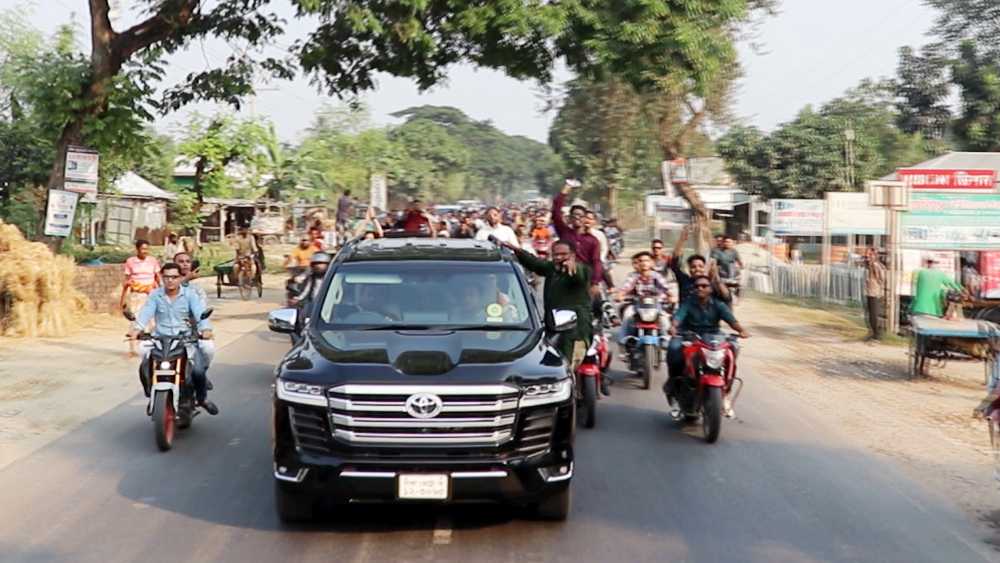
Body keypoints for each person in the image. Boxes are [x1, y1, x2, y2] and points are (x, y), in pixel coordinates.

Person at [129, 262, 218, 415]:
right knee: (144, 366)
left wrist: (206, 329)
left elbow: (199, 313)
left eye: (174, 277)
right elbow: (146, 312)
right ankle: (153, 396)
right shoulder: (155, 295)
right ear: (162, 278)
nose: (170, 280)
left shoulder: (190, 295)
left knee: (197, 371)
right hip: (160, 340)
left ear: (180, 278)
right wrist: (137, 329)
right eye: (167, 277)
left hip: (185, 340)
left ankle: (202, 399)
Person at [501, 239, 592, 370]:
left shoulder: (580, 269)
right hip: (553, 331)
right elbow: (535, 263)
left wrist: (574, 267)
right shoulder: (552, 269)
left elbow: (580, 275)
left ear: (572, 255)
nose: (559, 257)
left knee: (567, 371)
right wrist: (517, 250)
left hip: (574, 334)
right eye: (556, 254)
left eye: (563, 254)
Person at [665, 274, 749, 416]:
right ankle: (674, 386)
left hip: (713, 336)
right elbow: (679, 316)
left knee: (733, 348)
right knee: (674, 348)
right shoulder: (688, 303)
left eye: (704, 286)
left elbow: (732, 321)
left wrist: (742, 331)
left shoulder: (718, 304)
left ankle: (726, 390)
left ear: (711, 289)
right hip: (689, 334)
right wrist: (674, 327)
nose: (700, 288)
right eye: (697, 286)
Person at [552, 180, 603, 295]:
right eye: (574, 215)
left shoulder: (593, 241)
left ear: (585, 219)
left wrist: (595, 283)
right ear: (569, 218)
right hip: (563, 278)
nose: (577, 218)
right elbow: (555, 211)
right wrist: (566, 189)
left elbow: (596, 262)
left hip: (583, 280)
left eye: (580, 215)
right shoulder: (564, 232)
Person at [120, 239, 161, 357]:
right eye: (143, 249)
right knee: (136, 320)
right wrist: (123, 298)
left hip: (151, 294)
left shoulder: (153, 261)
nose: (145, 251)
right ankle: (132, 348)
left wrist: (161, 291)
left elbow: (157, 277)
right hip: (136, 295)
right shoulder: (130, 262)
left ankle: (154, 347)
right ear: (137, 249)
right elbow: (127, 280)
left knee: (152, 321)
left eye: (147, 249)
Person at [671, 225, 731, 302]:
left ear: (704, 268)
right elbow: (675, 262)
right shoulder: (684, 280)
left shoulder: (711, 283)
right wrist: (682, 239)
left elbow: (727, 297)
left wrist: (716, 276)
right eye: (693, 267)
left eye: (700, 266)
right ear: (689, 269)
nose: (697, 269)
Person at [864, 248, 886, 342]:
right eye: (867, 255)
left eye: (870, 255)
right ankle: (873, 333)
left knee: (874, 315)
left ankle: (877, 335)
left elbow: (881, 278)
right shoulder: (870, 265)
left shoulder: (876, 265)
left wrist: (877, 283)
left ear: (875, 255)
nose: (868, 256)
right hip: (870, 292)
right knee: (870, 315)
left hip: (874, 292)